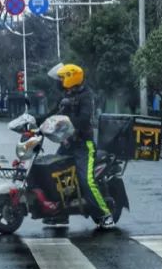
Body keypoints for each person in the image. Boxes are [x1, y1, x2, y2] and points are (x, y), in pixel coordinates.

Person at [40, 62, 114, 229]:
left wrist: (64, 123)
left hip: (83, 145)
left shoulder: (86, 96)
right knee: (55, 174)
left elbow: (83, 119)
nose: (58, 82)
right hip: (67, 144)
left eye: (61, 78)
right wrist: (37, 122)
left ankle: (105, 214)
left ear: (71, 78)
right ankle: (61, 215)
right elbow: (53, 112)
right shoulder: (66, 95)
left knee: (86, 180)